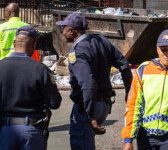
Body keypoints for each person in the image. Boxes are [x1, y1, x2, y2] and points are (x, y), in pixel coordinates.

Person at [56, 12, 133, 150]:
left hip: (88, 107)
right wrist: (129, 92)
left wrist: (90, 116)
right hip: (104, 105)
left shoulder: (77, 52)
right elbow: (124, 65)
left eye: (65, 29)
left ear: (72, 31)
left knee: (81, 144)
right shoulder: (101, 40)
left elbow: (88, 84)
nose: (62, 32)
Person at [0, 26, 62, 149]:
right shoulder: (41, 70)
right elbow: (54, 103)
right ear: (34, 44)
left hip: (5, 130)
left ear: (14, 43)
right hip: (32, 132)